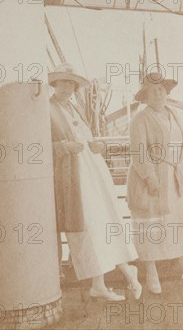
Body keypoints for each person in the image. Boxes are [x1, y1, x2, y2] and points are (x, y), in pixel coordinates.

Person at [49, 63, 141, 301]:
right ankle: (105, 281)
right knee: (86, 226)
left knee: (104, 220)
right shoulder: (46, 110)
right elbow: (38, 147)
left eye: (71, 83)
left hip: (92, 171)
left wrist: (99, 145)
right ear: (54, 84)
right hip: (71, 174)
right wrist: (62, 147)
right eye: (63, 82)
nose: (67, 87)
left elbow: (87, 137)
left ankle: (112, 278)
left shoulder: (74, 108)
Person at [126, 72, 183, 294]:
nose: (158, 94)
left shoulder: (173, 113)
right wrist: (149, 178)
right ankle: (151, 273)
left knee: (178, 224)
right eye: (153, 91)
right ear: (145, 95)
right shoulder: (140, 119)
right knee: (151, 226)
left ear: (166, 92)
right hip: (150, 179)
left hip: (173, 178)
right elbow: (138, 152)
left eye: (161, 90)